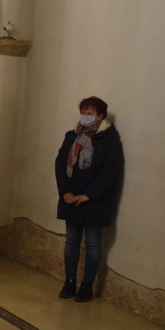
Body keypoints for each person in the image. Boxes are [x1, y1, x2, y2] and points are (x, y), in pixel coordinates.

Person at [54, 96, 123, 303]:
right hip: (71, 197)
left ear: (100, 116)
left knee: (93, 243)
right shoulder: (72, 135)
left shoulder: (109, 138)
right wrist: (65, 192)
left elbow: (111, 171)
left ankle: (87, 286)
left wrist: (89, 195)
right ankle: (69, 282)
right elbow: (60, 163)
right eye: (83, 112)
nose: (85, 116)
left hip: (95, 201)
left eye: (89, 113)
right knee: (71, 241)